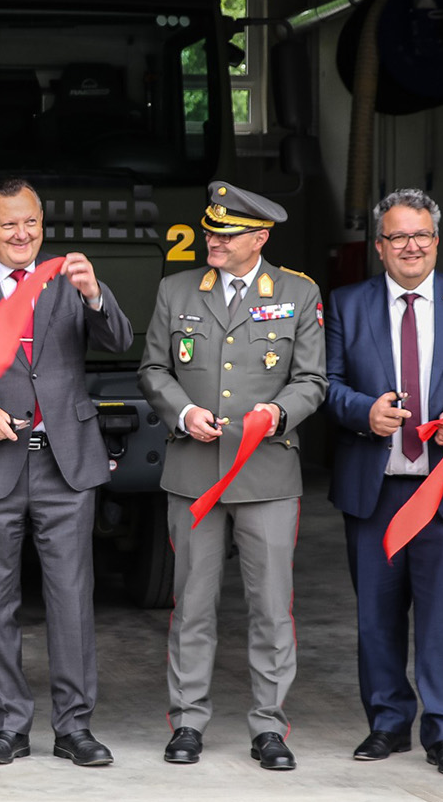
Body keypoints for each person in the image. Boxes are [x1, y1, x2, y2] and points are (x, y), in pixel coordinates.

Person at [0, 178, 132, 767]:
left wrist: (95, 296)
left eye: (32, 224)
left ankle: (74, 728)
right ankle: (8, 726)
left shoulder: (69, 278)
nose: (22, 235)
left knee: (72, 599)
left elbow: (118, 341)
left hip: (64, 461)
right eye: (9, 224)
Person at [324, 189, 443, 778]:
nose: (411, 246)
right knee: (376, 615)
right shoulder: (346, 304)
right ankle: (387, 724)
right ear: (379, 247)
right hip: (375, 487)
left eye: (422, 235)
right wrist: (364, 412)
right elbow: (324, 384)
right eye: (397, 237)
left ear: (437, 240)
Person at [137, 182, 325, 771]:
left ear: (260, 239)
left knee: (271, 608)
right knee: (192, 604)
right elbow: (154, 368)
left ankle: (269, 727)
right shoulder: (177, 289)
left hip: (266, 474)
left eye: (226, 234)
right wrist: (184, 413)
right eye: (211, 230)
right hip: (194, 473)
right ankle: (188, 721)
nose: (212, 241)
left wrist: (277, 413)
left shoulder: (297, 292)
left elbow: (313, 380)